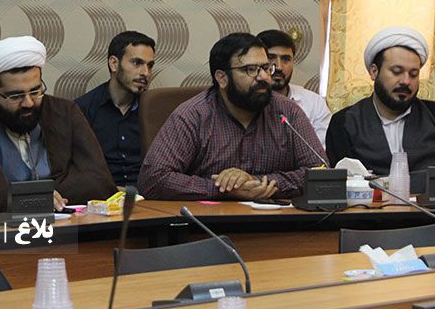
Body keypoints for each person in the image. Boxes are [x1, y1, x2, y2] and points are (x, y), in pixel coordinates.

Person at [0, 36, 117, 211]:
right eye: (16, 96)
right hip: (0, 229)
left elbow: (99, 181)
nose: (28, 103)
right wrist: (25, 198)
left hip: (68, 224)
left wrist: (46, 196)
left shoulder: (65, 113)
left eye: (36, 91)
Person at [138, 33, 326, 200]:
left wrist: (260, 182)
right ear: (222, 78)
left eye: (265, 67)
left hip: (276, 221)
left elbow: (321, 174)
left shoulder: (287, 112)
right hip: (209, 222)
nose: (263, 77)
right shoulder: (193, 116)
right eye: (250, 69)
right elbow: (153, 178)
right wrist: (223, 189)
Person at [325, 26, 435, 193]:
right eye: (397, 72)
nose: (406, 81)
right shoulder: (344, 122)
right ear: (374, 71)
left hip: (433, 210)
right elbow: (336, 192)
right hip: (368, 210)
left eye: (413, 74)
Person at [76, 31, 156, 186]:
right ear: (114, 63)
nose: (145, 73)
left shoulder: (154, 111)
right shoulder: (83, 109)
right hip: (101, 195)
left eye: (150, 65)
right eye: (137, 63)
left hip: (148, 194)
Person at [256, 29, 331, 147]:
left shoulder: (314, 103)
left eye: (286, 59)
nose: (279, 67)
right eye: (271, 58)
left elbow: (320, 151)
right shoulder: (246, 101)